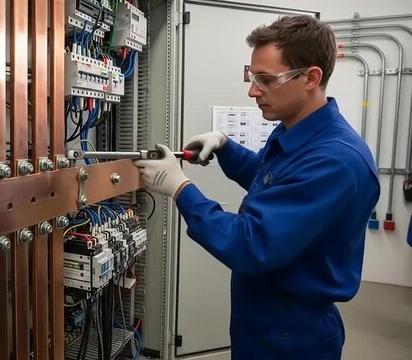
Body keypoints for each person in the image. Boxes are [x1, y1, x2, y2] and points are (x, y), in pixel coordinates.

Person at [134, 15, 380, 359]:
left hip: (292, 333)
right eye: (253, 78)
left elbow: (251, 244)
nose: (252, 91)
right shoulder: (296, 129)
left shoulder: (335, 161)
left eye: (266, 80)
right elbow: (274, 185)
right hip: (262, 315)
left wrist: (180, 188)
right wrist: (224, 147)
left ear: (311, 77)